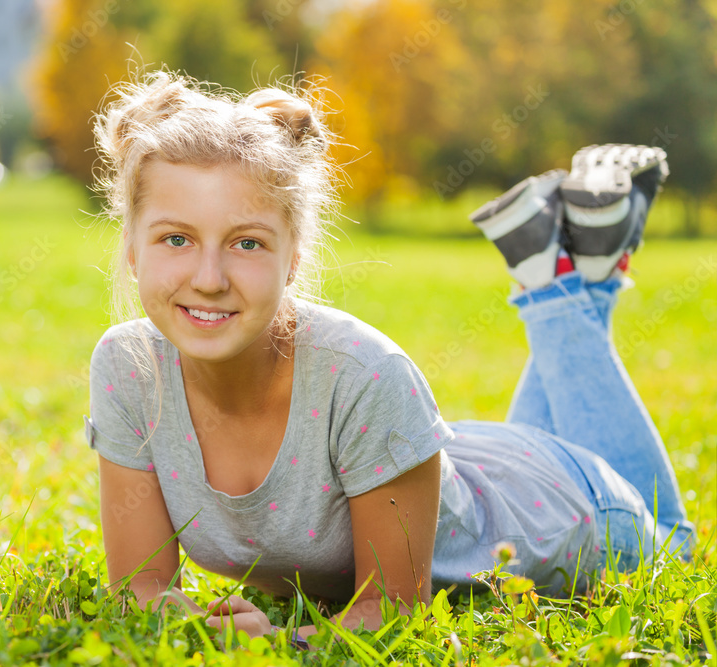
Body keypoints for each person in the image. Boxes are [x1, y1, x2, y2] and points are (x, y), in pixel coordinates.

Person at [82, 69, 695, 649]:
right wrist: (187, 626)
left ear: (294, 257)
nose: (209, 278)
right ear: (132, 247)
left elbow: (393, 611)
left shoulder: (363, 373)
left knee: (676, 544)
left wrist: (281, 643)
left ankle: (555, 290)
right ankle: (574, 268)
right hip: (468, 466)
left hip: (567, 515)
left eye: (247, 243)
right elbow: (142, 588)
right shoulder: (129, 369)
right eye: (176, 239)